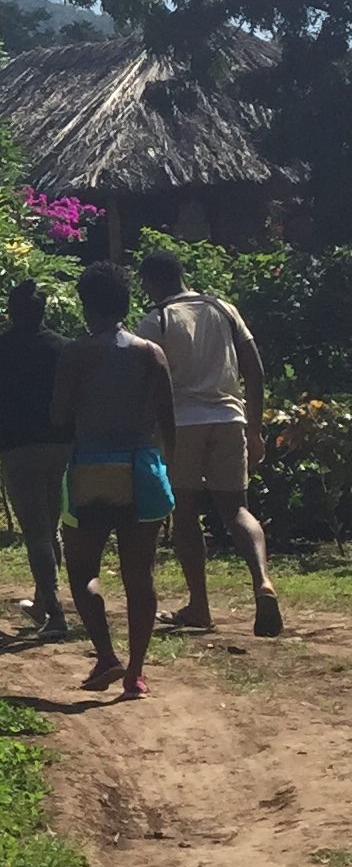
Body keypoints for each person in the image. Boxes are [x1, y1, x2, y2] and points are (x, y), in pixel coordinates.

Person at [135, 246, 283, 638]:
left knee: (184, 512)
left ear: (152, 282)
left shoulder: (157, 320)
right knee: (235, 508)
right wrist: (254, 427)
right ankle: (263, 582)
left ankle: (199, 605)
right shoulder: (222, 308)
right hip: (229, 418)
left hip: (182, 424)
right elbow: (254, 367)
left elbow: (143, 380)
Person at [52, 260, 177, 699]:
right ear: (125, 304)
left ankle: (106, 654)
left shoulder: (76, 352)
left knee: (83, 570)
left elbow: (59, 414)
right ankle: (137, 673)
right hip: (143, 468)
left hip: (92, 468)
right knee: (139, 577)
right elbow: (168, 419)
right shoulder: (150, 353)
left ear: (87, 307)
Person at [0, 279, 71, 638]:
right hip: (61, 444)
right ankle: (42, 602)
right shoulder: (63, 347)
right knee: (51, 525)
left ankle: (56, 612)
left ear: (11, 312)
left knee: (36, 532)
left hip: (18, 446)